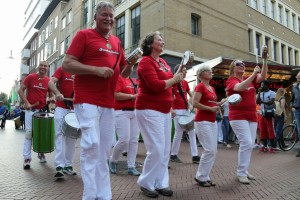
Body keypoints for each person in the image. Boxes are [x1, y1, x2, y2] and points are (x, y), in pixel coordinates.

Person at [62, 1, 134, 199]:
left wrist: (130, 66)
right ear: (95, 17)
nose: (109, 18)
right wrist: (95, 70)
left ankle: (104, 194)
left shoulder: (117, 42)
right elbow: (67, 64)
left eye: (111, 15)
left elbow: (123, 73)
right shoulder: (84, 35)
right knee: (91, 144)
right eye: (104, 15)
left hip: (108, 102)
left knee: (104, 148)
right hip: (86, 98)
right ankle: (89, 193)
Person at [135, 31, 183, 198]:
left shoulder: (163, 62)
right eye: (159, 39)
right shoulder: (144, 62)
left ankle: (162, 183)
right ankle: (146, 183)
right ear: (150, 44)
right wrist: (175, 79)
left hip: (163, 111)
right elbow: (155, 86)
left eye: (163, 39)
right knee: (156, 148)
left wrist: (170, 104)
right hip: (148, 109)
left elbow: (169, 85)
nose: (163, 41)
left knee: (164, 149)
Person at [226, 58, 267, 184]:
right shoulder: (231, 80)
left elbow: (263, 76)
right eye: (239, 64)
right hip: (238, 115)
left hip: (251, 115)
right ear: (233, 67)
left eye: (243, 64)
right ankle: (241, 173)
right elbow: (240, 88)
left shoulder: (248, 78)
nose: (242, 65)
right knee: (246, 142)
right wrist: (254, 74)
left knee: (249, 144)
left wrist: (264, 61)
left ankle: (244, 169)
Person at [192, 65, 225, 187]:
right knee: (209, 150)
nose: (211, 72)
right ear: (201, 74)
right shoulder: (199, 86)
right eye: (207, 70)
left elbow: (212, 103)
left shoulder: (212, 88)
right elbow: (195, 103)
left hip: (212, 122)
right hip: (202, 121)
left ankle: (205, 175)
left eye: (210, 71)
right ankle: (201, 177)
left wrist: (221, 102)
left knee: (213, 151)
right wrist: (210, 108)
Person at [18, 60, 52, 169]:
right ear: (38, 67)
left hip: (42, 111)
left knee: (41, 134)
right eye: (41, 65)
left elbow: (50, 96)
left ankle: (41, 153)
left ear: (48, 68)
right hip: (30, 111)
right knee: (29, 133)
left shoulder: (49, 81)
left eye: (45, 66)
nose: (43, 67)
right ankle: (27, 158)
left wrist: (51, 99)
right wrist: (26, 102)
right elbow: (20, 91)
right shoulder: (30, 77)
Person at [48, 66, 77, 178]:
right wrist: (57, 93)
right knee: (59, 134)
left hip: (75, 108)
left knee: (72, 137)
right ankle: (59, 165)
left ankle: (68, 165)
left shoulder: (81, 70)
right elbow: (51, 82)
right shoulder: (62, 69)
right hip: (61, 107)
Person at [109, 75, 140, 176]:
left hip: (134, 112)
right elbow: (116, 95)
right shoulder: (118, 78)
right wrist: (132, 97)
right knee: (124, 139)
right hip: (121, 111)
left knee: (134, 140)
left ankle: (131, 166)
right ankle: (113, 160)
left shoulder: (133, 80)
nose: (130, 67)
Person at [170, 65, 200, 164]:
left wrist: (192, 103)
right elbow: (169, 96)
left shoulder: (185, 83)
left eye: (186, 71)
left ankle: (195, 156)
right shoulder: (173, 83)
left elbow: (190, 94)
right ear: (178, 72)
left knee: (192, 132)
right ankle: (173, 154)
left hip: (186, 110)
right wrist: (171, 109)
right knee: (178, 133)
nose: (185, 73)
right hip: (177, 111)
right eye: (183, 71)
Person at [256, 81, 278, 152]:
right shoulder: (261, 93)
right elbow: (257, 102)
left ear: (266, 85)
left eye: (262, 85)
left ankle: (273, 146)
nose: (261, 86)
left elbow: (271, 102)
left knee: (270, 130)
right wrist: (259, 93)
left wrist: (263, 102)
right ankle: (264, 146)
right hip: (262, 114)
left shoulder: (272, 93)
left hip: (269, 114)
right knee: (263, 130)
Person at [291, 71, 300, 157]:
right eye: (297, 76)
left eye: (299, 76)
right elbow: (292, 99)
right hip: (297, 110)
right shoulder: (294, 88)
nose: (298, 77)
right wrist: (292, 106)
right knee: (299, 129)